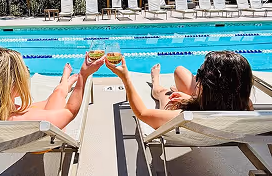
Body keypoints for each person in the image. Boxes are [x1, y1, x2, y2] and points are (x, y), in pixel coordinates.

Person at [0, 46, 104, 129]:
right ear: (11, 84)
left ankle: (63, 85)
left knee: (52, 98)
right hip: (46, 139)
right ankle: (63, 85)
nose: (27, 74)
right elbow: (69, 111)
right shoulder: (25, 119)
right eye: (25, 71)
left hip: (13, 125)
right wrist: (83, 76)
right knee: (57, 98)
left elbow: (43, 104)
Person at [105, 50, 253, 129]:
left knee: (167, 95)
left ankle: (156, 85)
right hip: (208, 111)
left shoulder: (181, 115)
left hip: (184, 115)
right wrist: (192, 100)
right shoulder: (244, 105)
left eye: (199, 75)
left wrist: (125, 78)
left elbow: (142, 113)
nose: (196, 76)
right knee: (180, 80)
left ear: (208, 88)